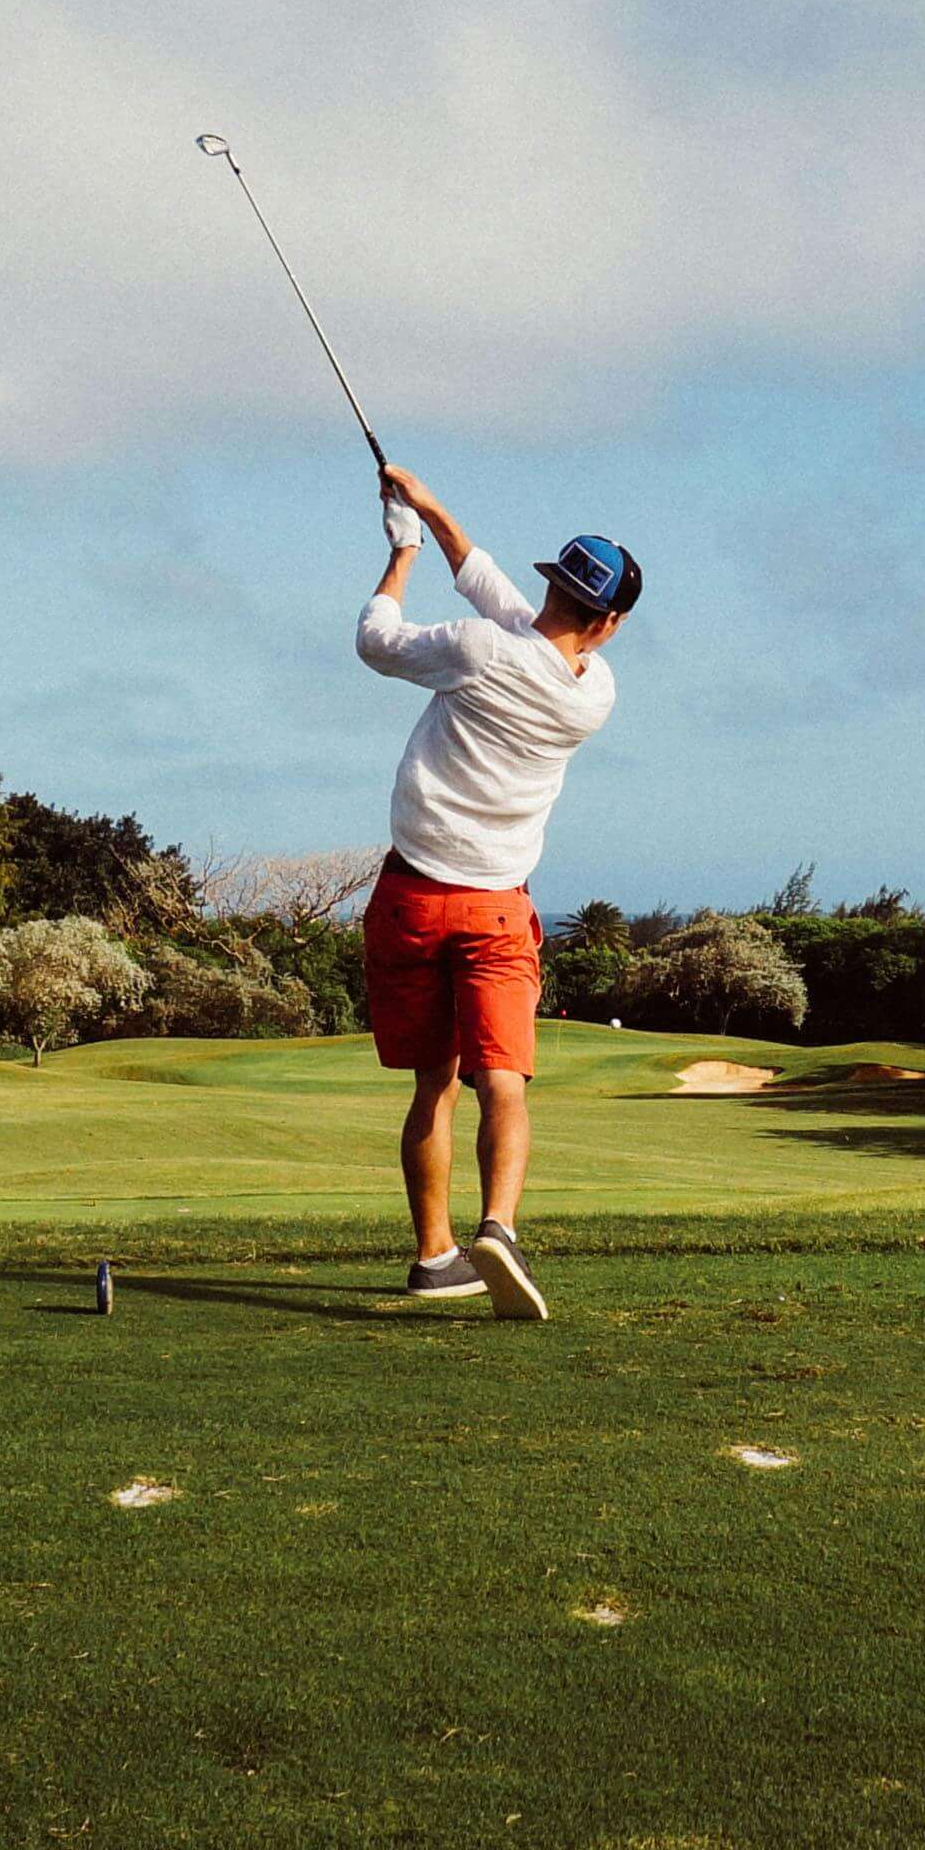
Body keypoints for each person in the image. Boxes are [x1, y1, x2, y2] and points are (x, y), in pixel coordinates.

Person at [354, 462, 637, 1319]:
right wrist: (431, 508)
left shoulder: (476, 651)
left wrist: (403, 551)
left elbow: (376, 640)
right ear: (609, 624)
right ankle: (499, 1229)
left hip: (411, 897)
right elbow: (502, 600)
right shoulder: (595, 694)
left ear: (552, 584)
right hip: (497, 910)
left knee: (433, 1085)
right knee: (504, 1078)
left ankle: (433, 1257)